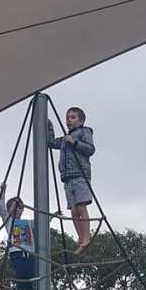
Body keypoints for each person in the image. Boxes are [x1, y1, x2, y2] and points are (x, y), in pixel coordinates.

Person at [48, 107, 95, 252]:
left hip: (80, 174)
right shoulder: (64, 138)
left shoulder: (84, 131)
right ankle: (81, 238)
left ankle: (86, 237)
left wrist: (74, 142)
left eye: (73, 117)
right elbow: (50, 142)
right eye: (67, 118)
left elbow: (90, 149)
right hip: (67, 177)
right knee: (73, 210)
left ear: (81, 120)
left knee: (81, 206)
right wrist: (48, 126)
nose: (69, 120)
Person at [0, 184, 36, 290]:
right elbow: (2, 209)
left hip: (30, 251)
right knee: (21, 271)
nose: (18, 210)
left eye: (20, 208)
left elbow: (40, 222)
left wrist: (52, 216)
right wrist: (3, 191)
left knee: (30, 272)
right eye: (15, 208)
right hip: (16, 251)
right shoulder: (9, 220)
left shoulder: (28, 222)